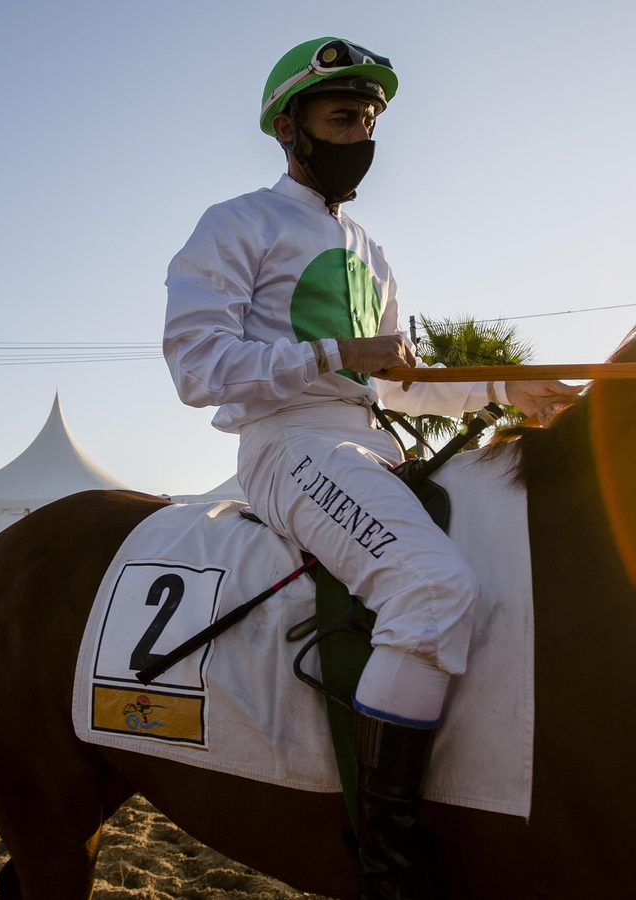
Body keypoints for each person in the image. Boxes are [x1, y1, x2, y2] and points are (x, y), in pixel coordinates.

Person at [162, 38, 579, 897]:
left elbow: (396, 385)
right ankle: (388, 863)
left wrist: (508, 388)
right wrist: (332, 352)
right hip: (289, 447)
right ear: (291, 129)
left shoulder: (370, 251)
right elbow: (196, 367)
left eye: (372, 118)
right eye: (343, 116)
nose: (363, 132)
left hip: (372, 447)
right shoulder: (235, 221)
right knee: (432, 588)